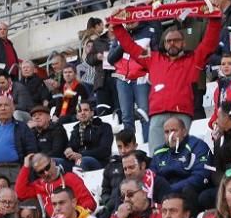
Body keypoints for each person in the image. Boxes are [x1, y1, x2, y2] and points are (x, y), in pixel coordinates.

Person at [110, 14, 222, 153]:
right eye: (169, 41)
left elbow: (209, 43)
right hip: (157, 114)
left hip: (181, 113)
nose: (172, 43)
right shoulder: (152, 58)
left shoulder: (193, 59)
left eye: (176, 40)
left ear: (184, 43)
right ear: (164, 43)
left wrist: (215, 19)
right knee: (156, 155)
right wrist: (117, 25)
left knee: (179, 154)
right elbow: (130, 47)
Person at [65, 102, 113, 171]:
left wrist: (82, 155)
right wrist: (68, 149)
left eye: (85, 110)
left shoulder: (104, 127)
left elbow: (105, 151)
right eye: (79, 111)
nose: (82, 113)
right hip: (77, 162)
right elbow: (71, 145)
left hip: (100, 162)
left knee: (82, 160)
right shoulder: (75, 130)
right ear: (77, 116)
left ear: (92, 113)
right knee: (56, 162)